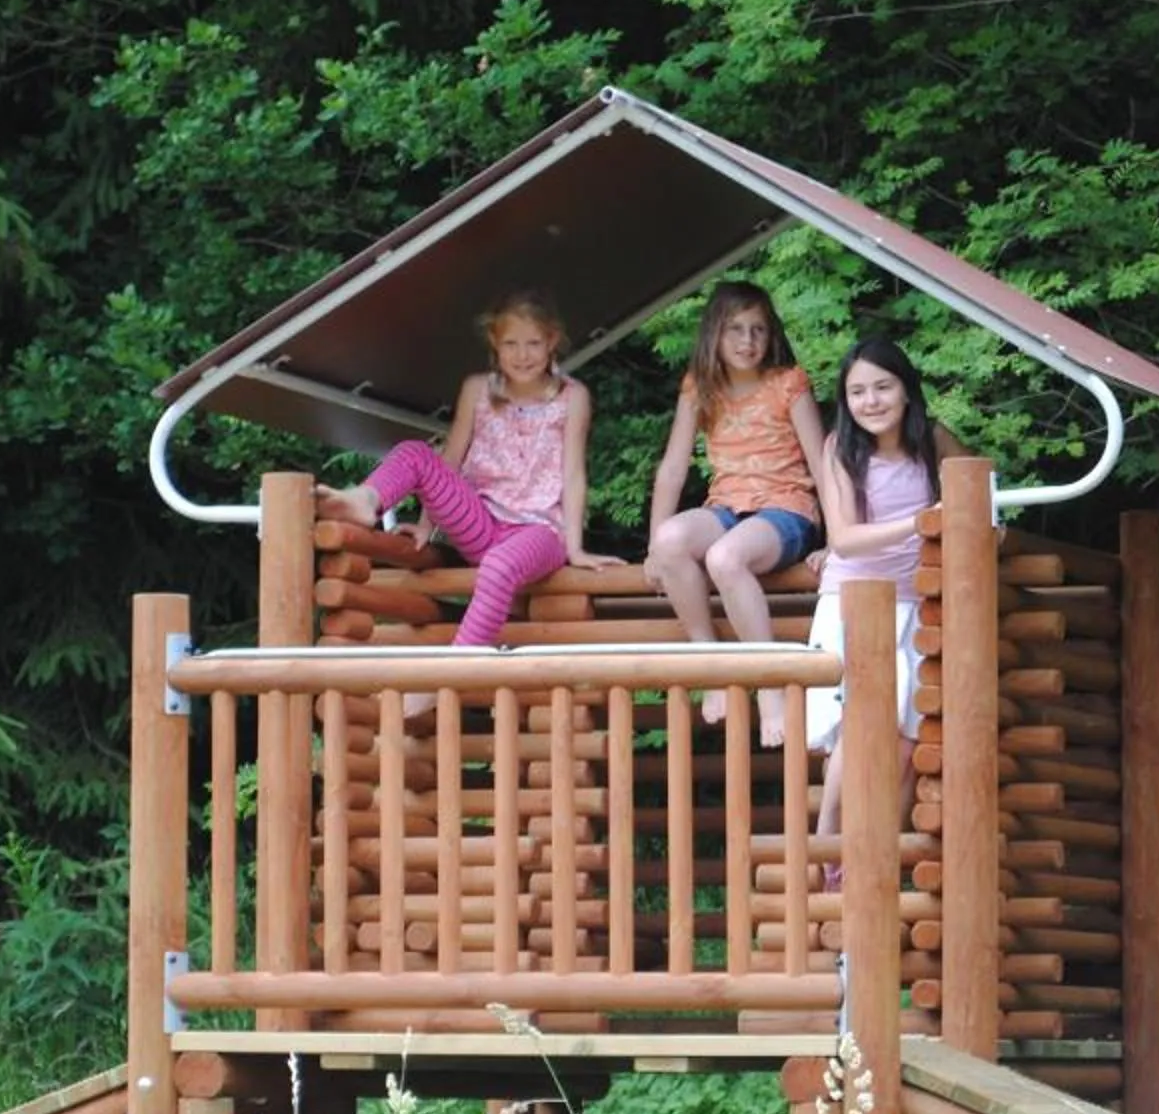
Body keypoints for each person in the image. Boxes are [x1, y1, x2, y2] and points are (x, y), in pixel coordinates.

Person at [315, 291, 618, 659]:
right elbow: (450, 463)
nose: (523, 355)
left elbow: (573, 474)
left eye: (533, 343)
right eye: (511, 344)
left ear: (552, 341)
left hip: (540, 531)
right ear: (494, 342)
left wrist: (575, 548)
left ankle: (454, 668)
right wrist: (428, 526)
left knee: (498, 565)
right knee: (417, 453)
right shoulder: (477, 389)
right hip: (482, 522)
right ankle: (365, 501)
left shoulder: (572, 396)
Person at [806, 338, 972, 864]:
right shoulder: (840, 448)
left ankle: (877, 865)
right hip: (853, 600)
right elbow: (846, 537)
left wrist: (965, 523)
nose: (871, 401)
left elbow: (979, 497)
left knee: (905, 740)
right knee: (863, 719)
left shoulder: (935, 442)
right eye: (857, 391)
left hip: (917, 603)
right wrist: (925, 522)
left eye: (882, 387)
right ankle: (829, 840)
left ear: (906, 391)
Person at [642, 280, 827, 741]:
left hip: (787, 509)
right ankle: (710, 658)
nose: (748, 342)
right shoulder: (699, 388)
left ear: (772, 335)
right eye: (736, 330)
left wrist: (839, 541)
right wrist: (652, 550)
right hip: (726, 506)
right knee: (670, 541)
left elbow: (824, 464)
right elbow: (671, 469)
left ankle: (767, 683)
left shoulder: (789, 384)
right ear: (714, 336)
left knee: (725, 558)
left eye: (758, 330)